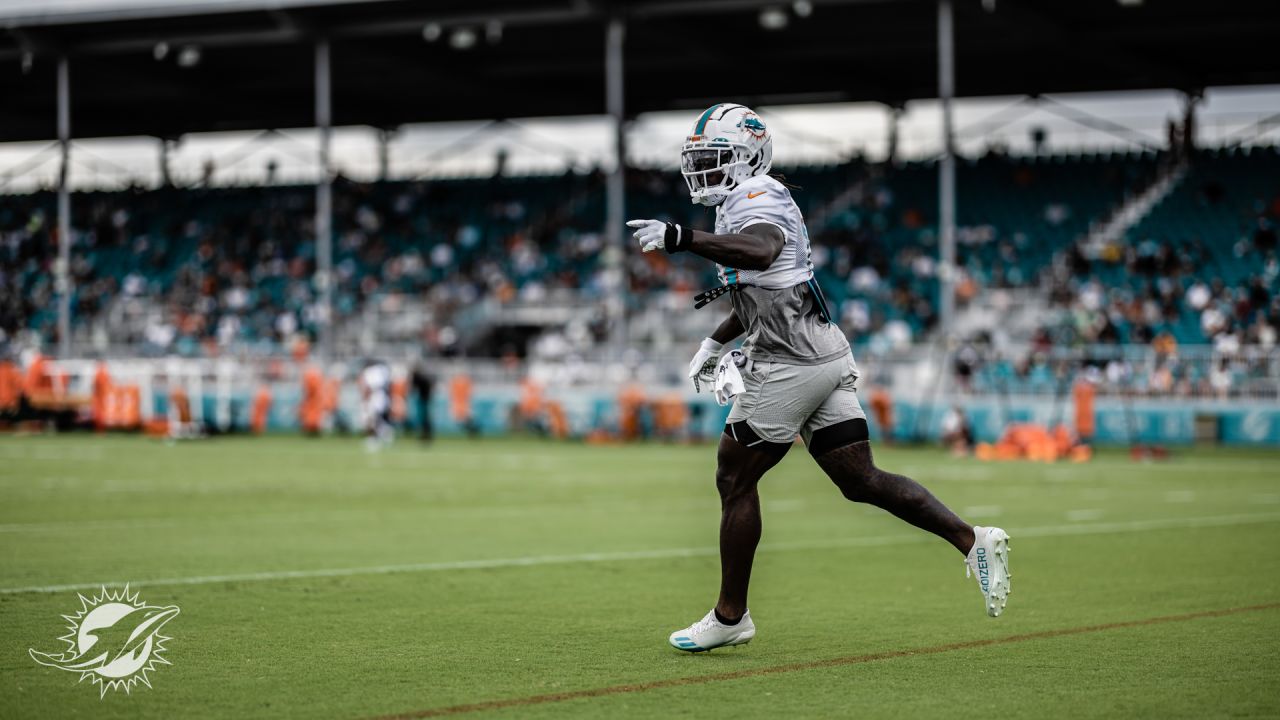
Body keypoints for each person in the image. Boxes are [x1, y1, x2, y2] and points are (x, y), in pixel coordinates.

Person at [627, 103, 1010, 653]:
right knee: (861, 480)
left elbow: (763, 253)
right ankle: (972, 539)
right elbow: (771, 287)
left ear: (747, 157)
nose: (703, 169)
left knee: (733, 477)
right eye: (700, 159)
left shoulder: (755, 194)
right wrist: (715, 341)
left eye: (714, 157)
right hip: (822, 353)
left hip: (789, 363)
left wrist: (682, 239)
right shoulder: (742, 199)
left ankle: (731, 616)